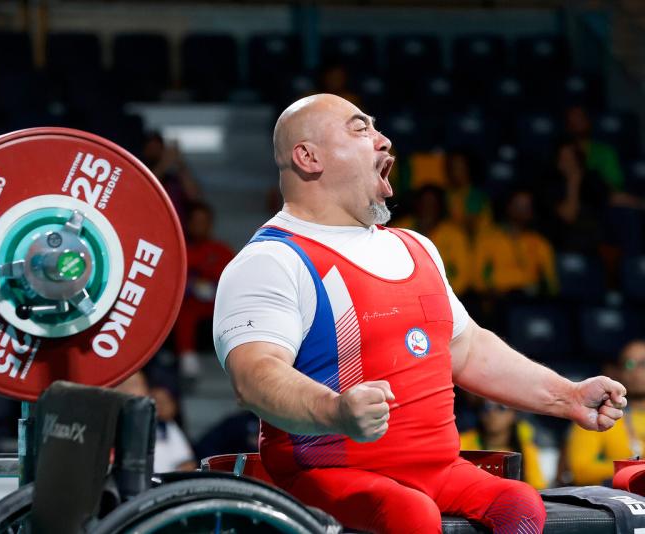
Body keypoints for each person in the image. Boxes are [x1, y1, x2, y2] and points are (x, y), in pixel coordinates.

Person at [212, 93, 627, 533]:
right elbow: (254, 377)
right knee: (410, 513)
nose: (384, 140)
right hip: (325, 475)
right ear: (308, 157)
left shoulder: (417, 247)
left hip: (438, 470)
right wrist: (334, 411)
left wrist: (568, 396)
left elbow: (468, 349)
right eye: (360, 128)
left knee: (519, 503)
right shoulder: (273, 259)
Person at [564, 340, 645, 486]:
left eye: (643, 364)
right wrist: (634, 468)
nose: (637, 371)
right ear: (619, 371)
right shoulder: (598, 413)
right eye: (630, 364)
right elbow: (580, 470)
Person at [173, 202, 235, 378]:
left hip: (217, 308)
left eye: (204, 221)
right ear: (188, 223)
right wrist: (192, 286)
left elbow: (234, 283)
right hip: (188, 308)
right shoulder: (179, 249)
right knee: (185, 309)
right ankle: (187, 357)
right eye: (196, 221)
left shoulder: (222, 251)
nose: (200, 226)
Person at [459, 400, 547, 489]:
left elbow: (537, 488)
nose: (492, 413)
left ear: (513, 414)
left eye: (501, 408)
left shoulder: (527, 450)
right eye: (487, 407)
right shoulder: (461, 442)